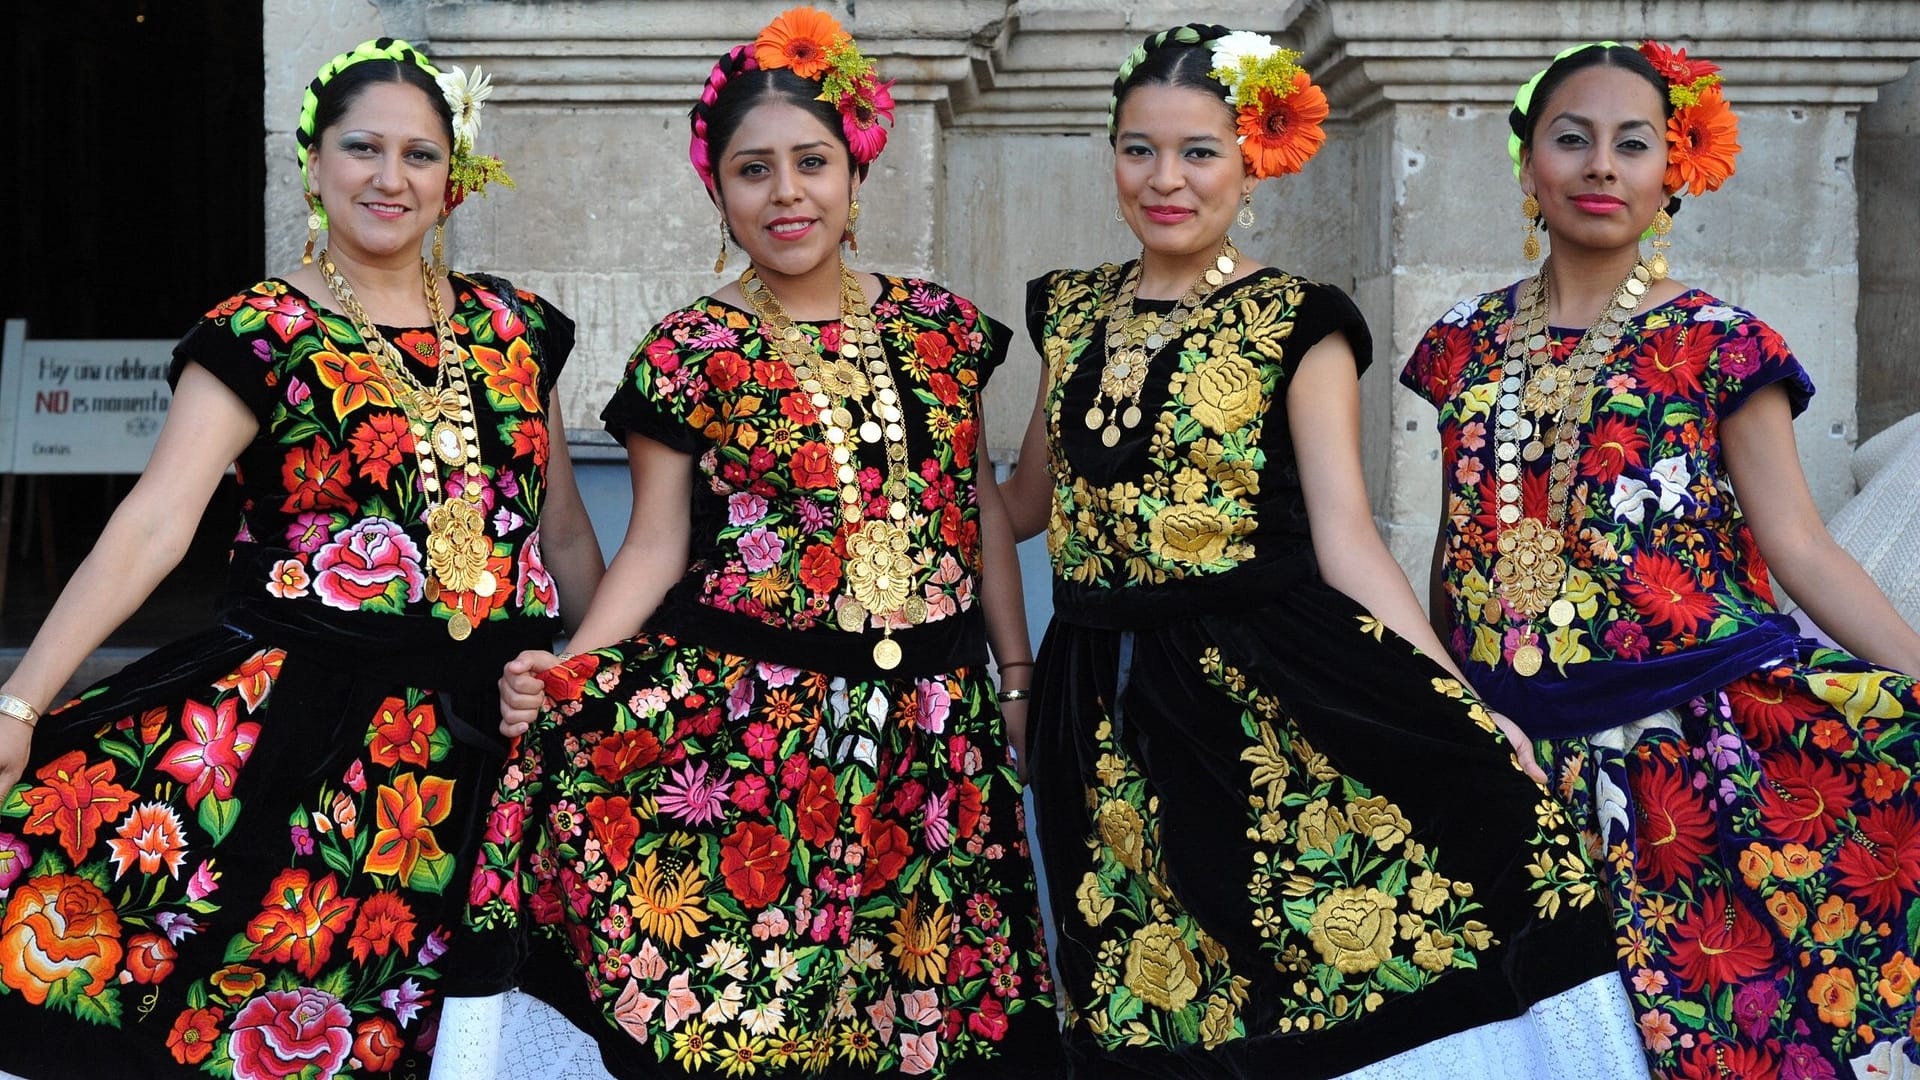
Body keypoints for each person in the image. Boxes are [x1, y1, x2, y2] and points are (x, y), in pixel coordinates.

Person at [999, 23, 1647, 1080]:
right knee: (1142, 993)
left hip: (1257, 685)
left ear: (1252, 159)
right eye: (1138, 148)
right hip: (1097, 702)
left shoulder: (1300, 323)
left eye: (1199, 151)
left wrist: (1465, 707)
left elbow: (1348, 539)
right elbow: (1028, 498)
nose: (1166, 179)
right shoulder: (1070, 312)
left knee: (1310, 968)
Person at [470, 8, 1060, 1077]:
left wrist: (1014, 681)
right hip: (762, 734)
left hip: (936, 733)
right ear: (718, 194)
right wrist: (573, 663)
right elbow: (652, 547)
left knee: (920, 1013)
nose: (786, 192)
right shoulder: (691, 351)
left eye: (810, 162)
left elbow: (975, 525)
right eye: (753, 171)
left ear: (855, 172)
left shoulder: (939, 330)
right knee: (762, 1021)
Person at [0, 37, 600, 1080]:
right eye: (363, 147)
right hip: (318, 738)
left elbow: (565, 536)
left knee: (463, 1018)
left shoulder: (517, 328)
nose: (390, 176)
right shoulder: (262, 331)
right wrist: (18, 704)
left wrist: (599, 683)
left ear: (452, 176)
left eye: (420, 154)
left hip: (495, 735)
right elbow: (153, 522)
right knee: (286, 1007)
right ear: (314, 162)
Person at [1403, 40, 1920, 1079]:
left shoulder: (1723, 342)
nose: (1602, 165)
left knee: (1723, 1031)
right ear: (1528, 167)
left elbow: (1802, 549)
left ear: (1669, 170)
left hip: (1691, 739)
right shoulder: (1457, 344)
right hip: (1514, 747)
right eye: (1573, 139)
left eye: (1632, 143)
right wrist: (1451, 699)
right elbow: (1456, 543)